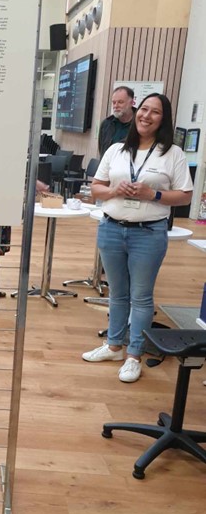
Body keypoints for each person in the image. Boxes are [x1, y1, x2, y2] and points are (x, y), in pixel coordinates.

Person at [82, 93, 193, 383]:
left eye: (155, 112)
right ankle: (114, 346)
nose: (147, 116)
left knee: (141, 297)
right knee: (117, 294)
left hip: (149, 233)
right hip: (111, 227)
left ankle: (134, 355)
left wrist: (152, 194)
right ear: (136, 110)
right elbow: (96, 187)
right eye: (144, 109)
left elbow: (184, 195)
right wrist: (115, 191)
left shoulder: (173, 154)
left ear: (163, 119)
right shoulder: (117, 150)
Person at [97, 86, 135, 158]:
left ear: (132, 103)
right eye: (114, 102)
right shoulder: (106, 124)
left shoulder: (140, 124)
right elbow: (102, 151)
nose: (116, 106)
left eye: (120, 102)